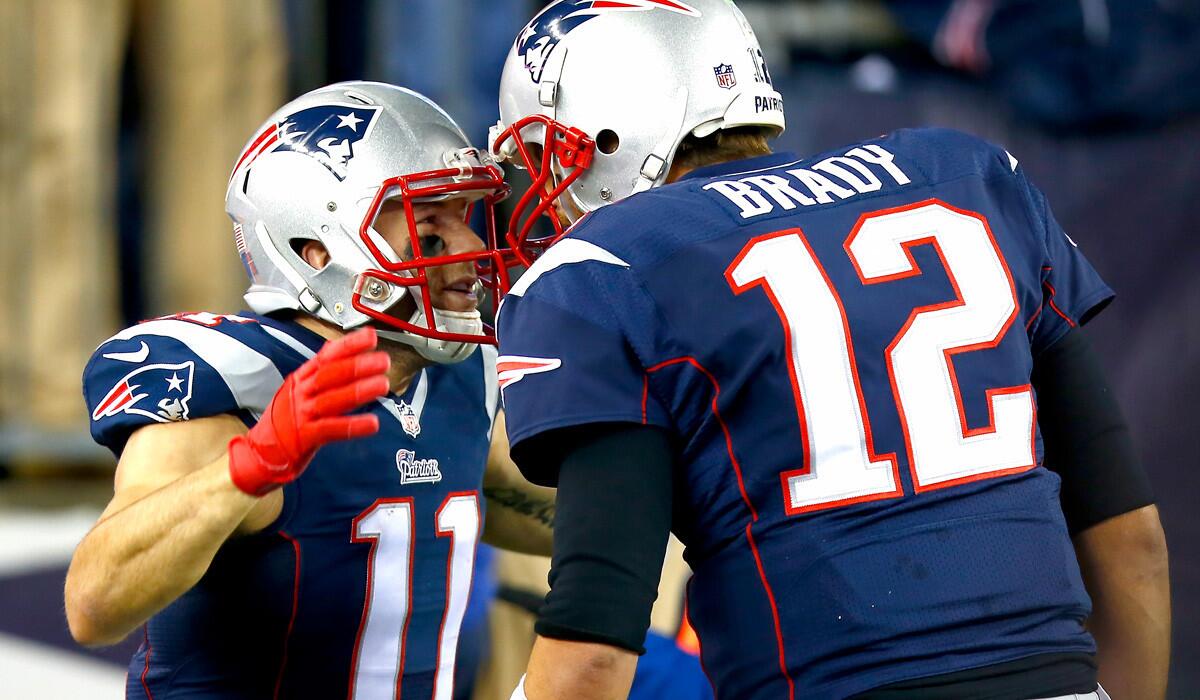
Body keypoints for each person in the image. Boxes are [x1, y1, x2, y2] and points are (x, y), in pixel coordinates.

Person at [487, 2, 1169, 699]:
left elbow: (593, 653)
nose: (544, 192)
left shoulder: (605, 269)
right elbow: (1130, 532)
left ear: (612, 132)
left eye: (549, 156)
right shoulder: (968, 175)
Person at [64, 81, 555, 699]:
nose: (472, 246)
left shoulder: (458, 380)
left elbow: (561, 517)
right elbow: (93, 605)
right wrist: (245, 470)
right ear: (315, 250)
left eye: (465, 215)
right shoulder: (235, 387)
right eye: (431, 225)